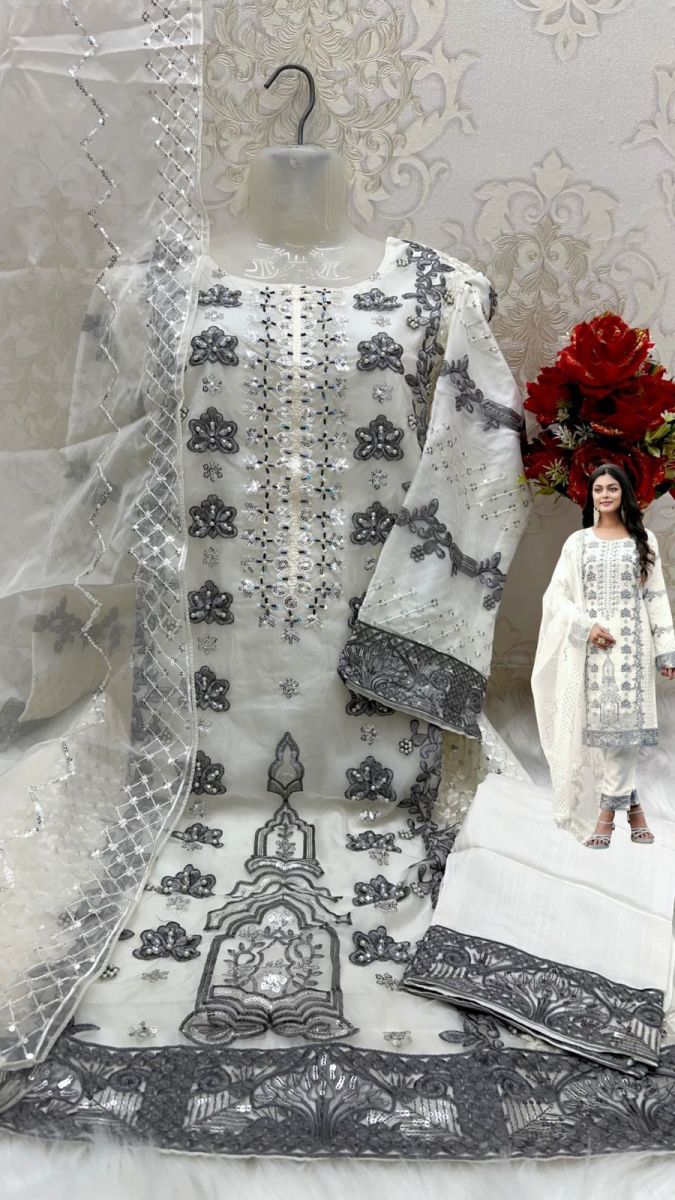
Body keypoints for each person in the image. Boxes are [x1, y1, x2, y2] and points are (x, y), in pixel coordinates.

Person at [531, 463, 675, 847]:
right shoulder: (578, 543)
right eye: (598, 489)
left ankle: (606, 816)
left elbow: (656, 597)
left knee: (624, 733)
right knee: (606, 734)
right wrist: (585, 626)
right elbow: (557, 597)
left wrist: (667, 651)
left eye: (612, 488)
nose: (605, 495)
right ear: (591, 496)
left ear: (624, 493)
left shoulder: (643, 540)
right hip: (592, 651)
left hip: (632, 650)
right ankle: (635, 808)